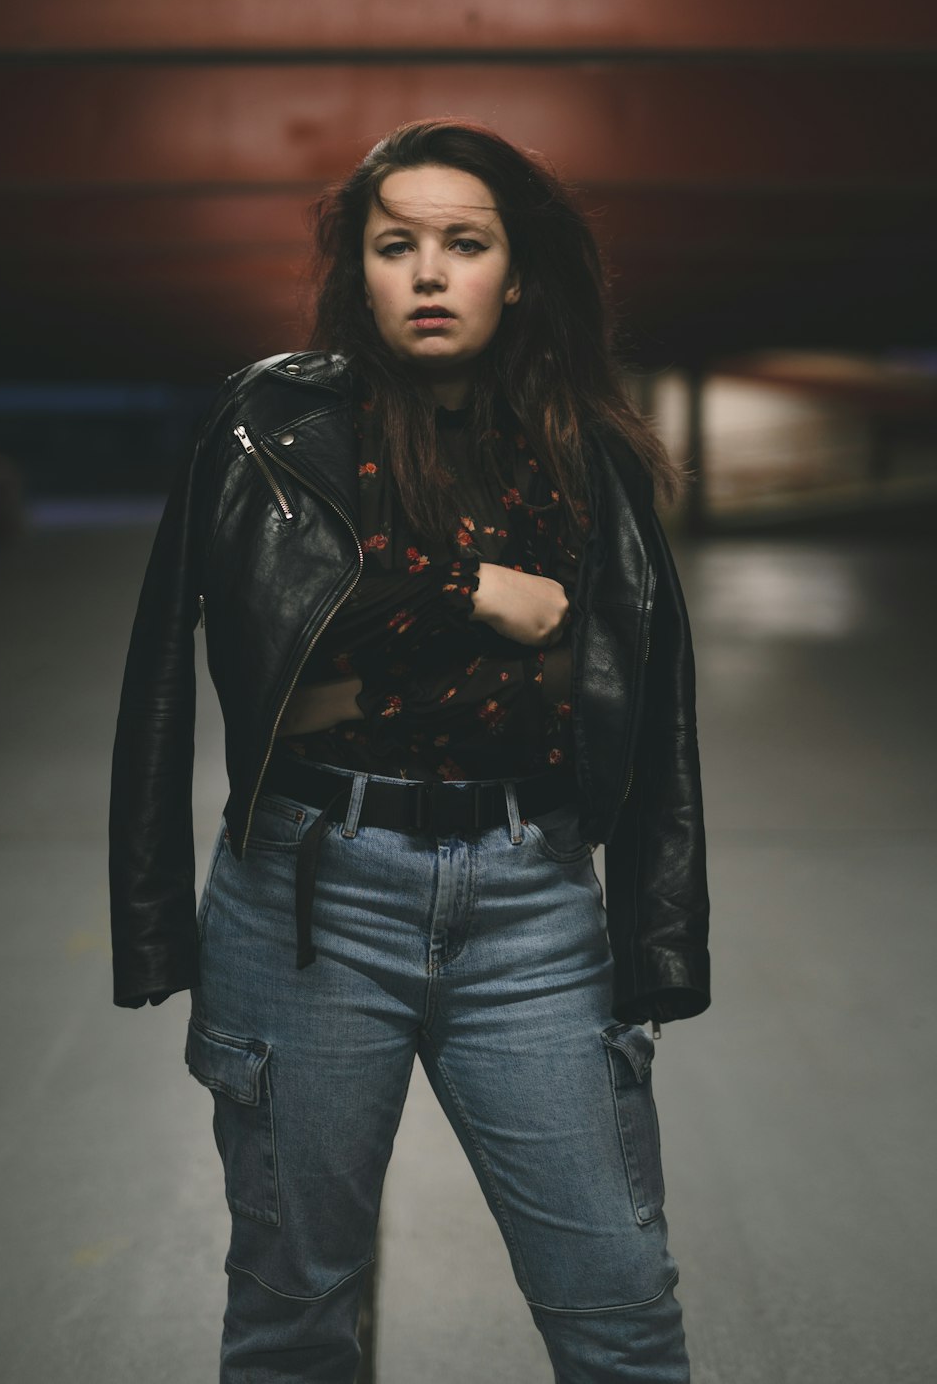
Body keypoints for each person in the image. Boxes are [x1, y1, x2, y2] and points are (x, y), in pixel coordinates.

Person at [108, 118, 709, 1383]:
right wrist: (472, 587)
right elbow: (173, 659)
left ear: (517, 272)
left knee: (620, 1307)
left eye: (464, 242)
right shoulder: (271, 426)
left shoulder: (586, 456)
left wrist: (658, 936)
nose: (429, 272)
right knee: (293, 1315)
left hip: (532, 901)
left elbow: (651, 709)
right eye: (397, 245)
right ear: (359, 274)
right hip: (308, 896)